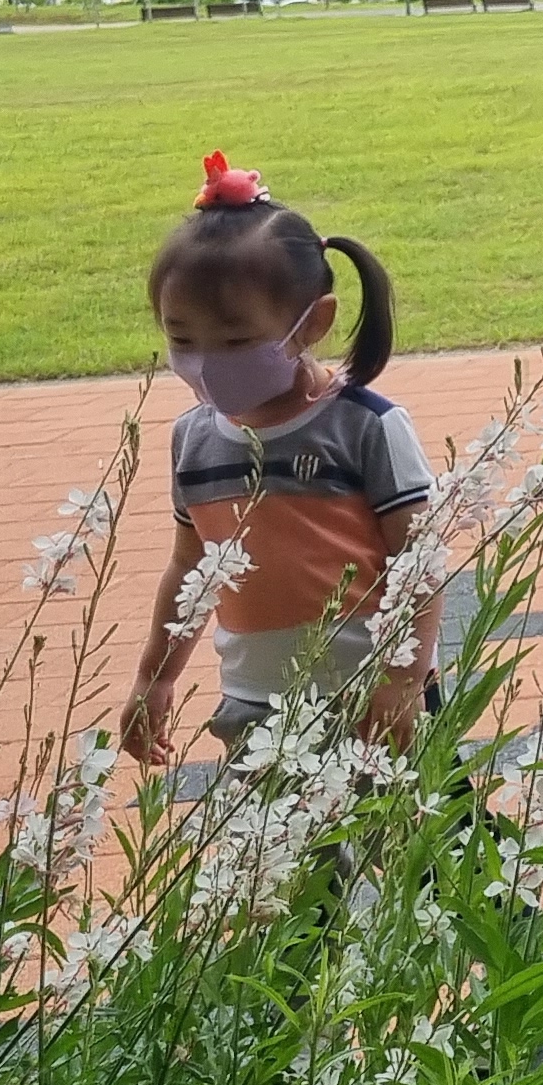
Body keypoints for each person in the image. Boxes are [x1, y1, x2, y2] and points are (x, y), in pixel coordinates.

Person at [120, 153, 438, 771]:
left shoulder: (365, 427)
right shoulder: (194, 441)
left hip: (370, 697)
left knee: (406, 858)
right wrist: (153, 678)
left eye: (236, 340)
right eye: (181, 339)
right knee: (291, 869)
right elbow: (191, 567)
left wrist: (403, 681)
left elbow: (419, 564)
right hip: (255, 708)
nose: (206, 361)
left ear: (312, 322)